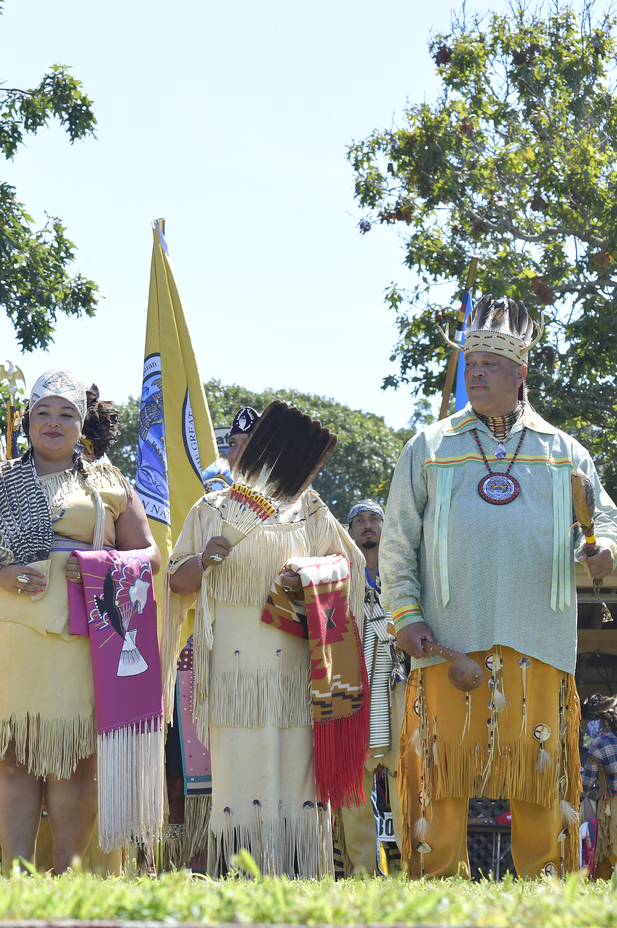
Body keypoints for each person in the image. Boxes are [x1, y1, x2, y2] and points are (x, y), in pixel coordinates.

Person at [382, 295, 617, 878]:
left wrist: (606, 548)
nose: (477, 371)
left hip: (538, 635)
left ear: (521, 374)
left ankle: (544, 883)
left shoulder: (563, 452)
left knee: (537, 771)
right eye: (471, 363)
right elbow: (396, 540)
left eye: (489, 362)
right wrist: (407, 613)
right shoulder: (430, 448)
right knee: (441, 771)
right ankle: (435, 882)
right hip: (450, 638)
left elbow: (605, 517)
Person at [0, 369, 156, 873]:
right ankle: (18, 874)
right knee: (14, 755)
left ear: (82, 425)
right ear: (27, 421)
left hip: (85, 632)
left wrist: (101, 567)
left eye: (66, 414)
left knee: (75, 757)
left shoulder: (109, 483)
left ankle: (70, 872)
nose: (54, 423)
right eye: (44, 413)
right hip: (10, 631)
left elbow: (147, 553)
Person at [167, 406, 363, 878]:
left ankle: (300, 875)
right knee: (238, 777)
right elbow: (175, 580)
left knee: (298, 777)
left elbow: (349, 570)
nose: (242, 454)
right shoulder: (210, 509)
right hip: (234, 677)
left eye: (253, 446)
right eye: (235, 446)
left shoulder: (310, 508)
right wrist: (202, 560)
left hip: (297, 671)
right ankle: (238, 874)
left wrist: (309, 575)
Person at [332, 498, 404, 875]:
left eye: (374, 518)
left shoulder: (403, 571)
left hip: (397, 683)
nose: (367, 525)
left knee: (405, 778)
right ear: (349, 530)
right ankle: (361, 869)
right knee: (355, 786)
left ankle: (418, 863)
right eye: (358, 520)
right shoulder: (340, 577)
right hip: (355, 688)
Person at [582, 693, 617, 879]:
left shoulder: (600, 742)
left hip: (611, 805)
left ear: (600, 721)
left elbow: (587, 782)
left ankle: (603, 885)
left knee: (607, 849)